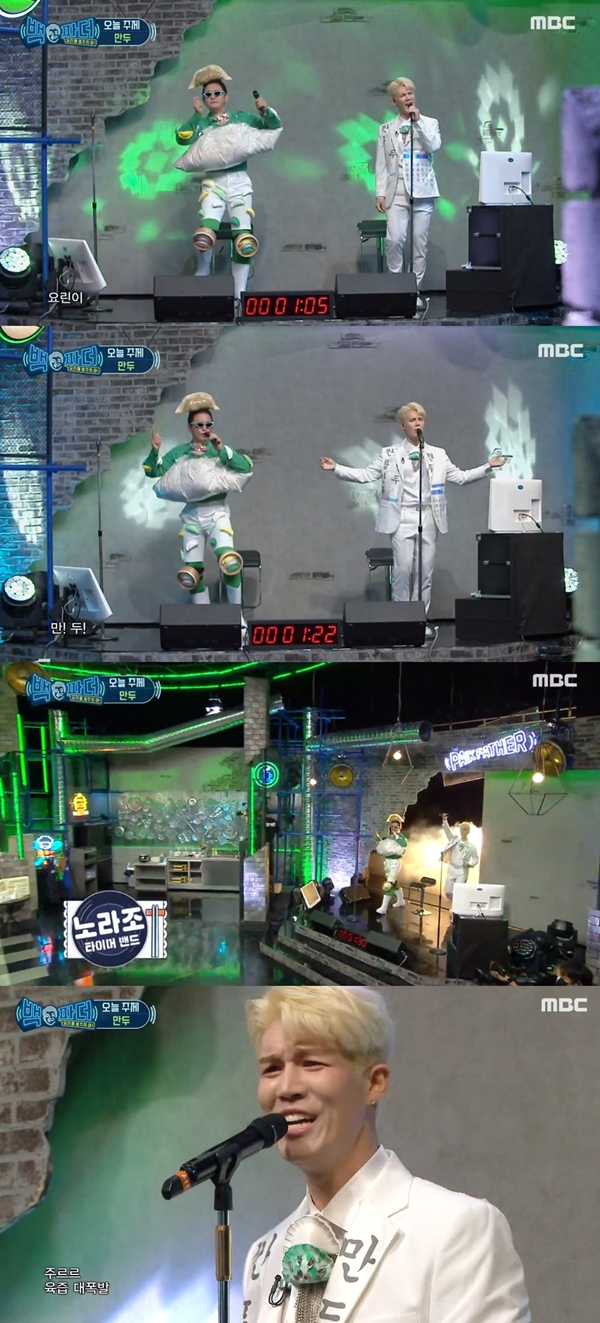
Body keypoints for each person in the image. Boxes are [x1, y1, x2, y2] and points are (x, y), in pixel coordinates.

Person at [242, 987, 531, 1323]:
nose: (286, 1088)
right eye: (272, 1068)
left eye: (311, 1063)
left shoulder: (457, 1229)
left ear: (374, 1083)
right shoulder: (263, 1255)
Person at [320, 403, 507, 617]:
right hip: (401, 516)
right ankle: (401, 618)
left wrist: (488, 467)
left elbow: (461, 477)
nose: (417, 423)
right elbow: (366, 475)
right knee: (403, 569)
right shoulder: (390, 454)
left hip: (428, 516)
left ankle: (420, 619)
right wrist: (337, 468)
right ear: (403, 425)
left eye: (420, 419)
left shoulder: (437, 454)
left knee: (424, 571)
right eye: (412, 420)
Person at [174, 64, 282, 302]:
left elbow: (272, 127)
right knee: (205, 232)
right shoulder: (203, 124)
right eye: (207, 94)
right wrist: (196, 115)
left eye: (217, 93)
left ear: (226, 96)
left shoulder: (242, 118)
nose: (212, 97)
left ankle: (239, 294)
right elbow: (182, 139)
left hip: (239, 182)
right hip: (213, 183)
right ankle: (203, 272)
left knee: (244, 239)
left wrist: (265, 111)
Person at [142, 391, 252, 605]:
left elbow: (245, 468)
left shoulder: (218, 450)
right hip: (191, 516)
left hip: (217, 513)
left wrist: (221, 448)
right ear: (189, 427)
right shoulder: (180, 453)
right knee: (190, 574)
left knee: (230, 563)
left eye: (208, 425)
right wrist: (155, 451)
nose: (204, 429)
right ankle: (203, 617)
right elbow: (152, 471)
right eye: (199, 425)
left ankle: (236, 616)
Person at [375, 78, 441, 308]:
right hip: (396, 191)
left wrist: (418, 121)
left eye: (410, 93)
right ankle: (397, 288)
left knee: (419, 244)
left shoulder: (430, 123)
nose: (408, 97)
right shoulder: (385, 129)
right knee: (394, 239)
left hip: (423, 190)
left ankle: (413, 291)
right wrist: (380, 193)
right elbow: (381, 163)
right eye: (402, 95)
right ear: (395, 101)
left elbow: (434, 146)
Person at [374, 813, 407, 915]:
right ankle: (401, 901)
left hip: (395, 864)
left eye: (395, 827)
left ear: (399, 827)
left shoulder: (401, 838)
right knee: (394, 883)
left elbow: (404, 844)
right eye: (392, 827)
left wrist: (396, 836)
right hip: (388, 863)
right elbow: (384, 844)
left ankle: (383, 908)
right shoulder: (389, 838)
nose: (393, 829)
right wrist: (378, 838)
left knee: (388, 884)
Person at [441, 815, 479, 901]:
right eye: (461, 829)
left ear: (468, 831)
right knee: (448, 892)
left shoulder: (471, 846)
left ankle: (456, 907)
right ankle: (454, 903)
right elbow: (447, 832)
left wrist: (470, 864)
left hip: (462, 871)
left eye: (465, 829)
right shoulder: (455, 840)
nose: (462, 831)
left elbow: (475, 858)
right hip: (451, 868)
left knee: (458, 891)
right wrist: (444, 821)